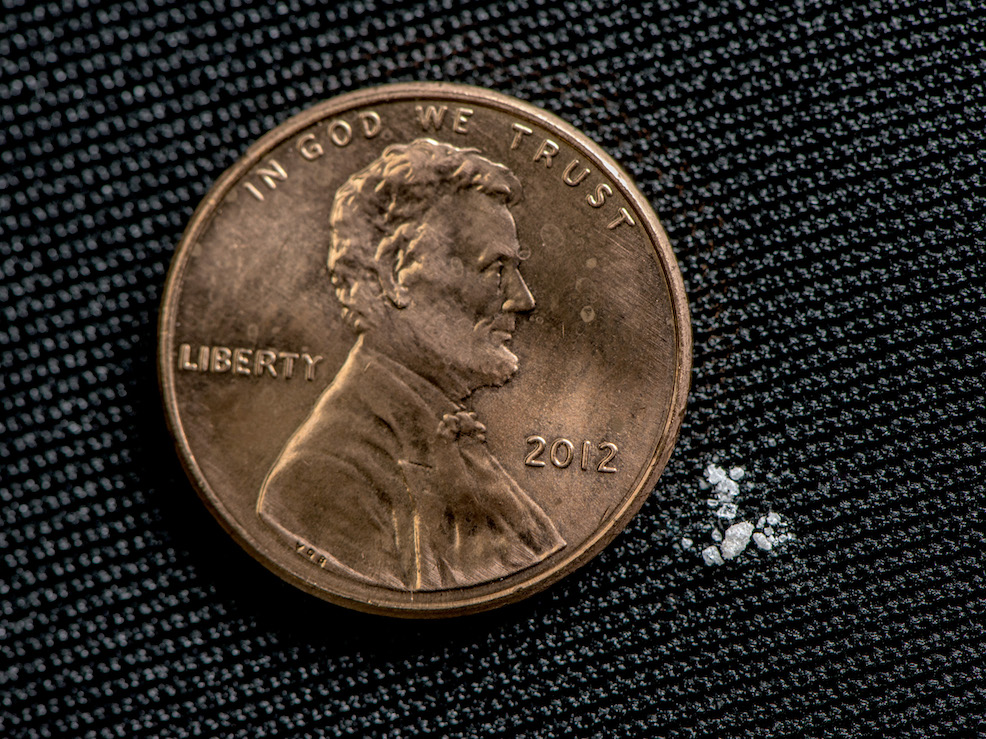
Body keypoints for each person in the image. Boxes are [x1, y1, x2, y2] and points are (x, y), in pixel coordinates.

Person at [257, 138, 566, 591]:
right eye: (495, 268)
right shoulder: (322, 477)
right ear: (391, 275)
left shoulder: (451, 436)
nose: (522, 299)